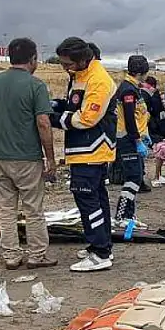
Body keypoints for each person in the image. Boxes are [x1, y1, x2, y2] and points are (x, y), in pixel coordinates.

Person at [0, 38, 58, 270]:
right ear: (33, 59)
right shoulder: (36, 86)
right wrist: (49, 157)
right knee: (33, 209)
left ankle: (11, 255)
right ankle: (37, 255)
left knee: (6, 210)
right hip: (27, 158)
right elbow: (43, 122)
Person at [51, 37, 119, 272]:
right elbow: (75, 105)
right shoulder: (79, 76)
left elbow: (86, 118)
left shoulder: (98, 80)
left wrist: (53, 119)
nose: (65, 68)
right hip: (83, 148)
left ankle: (101, 252)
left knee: (87, 198)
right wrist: (56, 105)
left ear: (82, 59)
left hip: (92, 148)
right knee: (96, 198)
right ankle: (98, 243)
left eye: (68, 63)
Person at [114, 55, 152, 234]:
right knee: (133, 178)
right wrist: (137, 140)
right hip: (127, 140)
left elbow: (139, 115)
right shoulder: (128, 90)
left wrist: (144, 135)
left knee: (136, 177)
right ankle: (122, 216)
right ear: (140, 72)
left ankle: (129, 215)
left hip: (134, 139)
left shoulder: (132, 88)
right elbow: (129, 118)